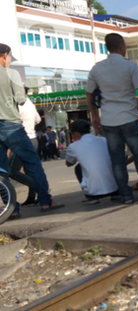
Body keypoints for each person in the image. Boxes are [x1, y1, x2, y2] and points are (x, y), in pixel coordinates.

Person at [86, 33, 138, 204]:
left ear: (107, 47)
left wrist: (94, 115)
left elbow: (89, 93)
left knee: (117, 160)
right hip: (130, 119)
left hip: (109, 121)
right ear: (122, 46)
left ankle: (125, 195)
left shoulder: (97, 69)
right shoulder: (130, 66)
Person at [0, 43, 64, 218]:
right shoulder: (11, 74)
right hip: (11, 126)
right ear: (5, 55)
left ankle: (11, 208)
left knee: (1, 170)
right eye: (10, 57)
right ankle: (45, 201)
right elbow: (21, 100)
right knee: (33, 163)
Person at [65, 120, 119, 204]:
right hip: (114, 188)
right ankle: (116, 193)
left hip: (94, 192)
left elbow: (69, 163)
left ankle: (90, 197)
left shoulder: (73, 146)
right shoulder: (103, 140)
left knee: (78, 167)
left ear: (75, 133)